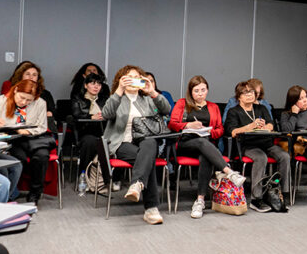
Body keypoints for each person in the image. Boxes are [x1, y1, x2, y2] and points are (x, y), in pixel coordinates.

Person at [168, 76, 245, 219]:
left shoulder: (213, 107)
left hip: (206, 144)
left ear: (207, 90)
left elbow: (220, 130)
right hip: (186, 143)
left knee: (206, 155)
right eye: (196, 91)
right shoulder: (182, 103)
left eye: (203, 90)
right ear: (191, 92)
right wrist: (188, 125)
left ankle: (200, 200)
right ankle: (229, 171)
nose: (200, 93)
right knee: (202, 143)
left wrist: (209, 131)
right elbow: (172, 124)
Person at [102, 65, 171, 225]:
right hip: (122, 143)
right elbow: (106, 114)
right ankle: (151, 209)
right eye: (129, 77)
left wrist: (152, 92)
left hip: (145, 142)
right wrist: (119, 90)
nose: (133, 80)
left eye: (137, 77)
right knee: (149, 161)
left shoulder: (146, 99)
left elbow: (166, 110)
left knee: (149, 144)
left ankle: (137, 184)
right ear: (122, 80)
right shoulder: (117, 98)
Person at [224, 81, 290, 213]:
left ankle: (282, 193)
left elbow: (271, 125)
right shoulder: (234, 111)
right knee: (261, 158)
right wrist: (250, 127)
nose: (250, 95)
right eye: (246, 92)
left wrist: (266, 127)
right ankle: (256, 198)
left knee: (285, 156)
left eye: (252, 92)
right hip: (247, 145)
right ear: (238, 97)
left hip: (266, 142)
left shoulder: (261, 108)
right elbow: (232, 131)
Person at [0, 79, 49, 204]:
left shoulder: (40, 103)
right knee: (17, 161)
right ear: (16, 90)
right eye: (22, 98)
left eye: (29, 100)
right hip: (9, 140)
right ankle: (9, 196)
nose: (24, 102)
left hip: (33, 139)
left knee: (41, 156)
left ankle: (33, 194)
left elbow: (42, 126)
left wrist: (28, 132)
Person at [71, 73, 109, 191]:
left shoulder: (105, 100)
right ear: (86, 85)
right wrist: (91, 117)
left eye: (98, 84)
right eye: (92, 83)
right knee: (90, 141)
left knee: (112, 142)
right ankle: (83, 175)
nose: (96, 86)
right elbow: (76, 114)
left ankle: (109, 180)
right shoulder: (78, 98)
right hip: (85, 131)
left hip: (104, 131)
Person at [1, 61, 55, 125]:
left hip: (40, 124)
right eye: (27, 74)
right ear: (21, 76)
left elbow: (52, 112)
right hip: (14, 123)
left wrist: (48, 113)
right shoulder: (13, 90)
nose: (31, 77)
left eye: (34, 75)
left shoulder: (45, 93)